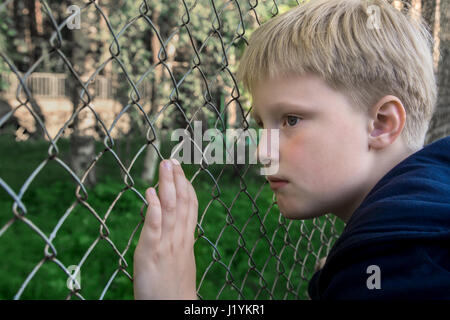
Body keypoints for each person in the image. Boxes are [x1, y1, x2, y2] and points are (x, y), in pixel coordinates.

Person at [133, 0, 450, 300]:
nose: (262, 153)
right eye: (261, 124)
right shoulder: (416, 233)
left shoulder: (402, 258)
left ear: (381, 124)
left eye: (291, 120)